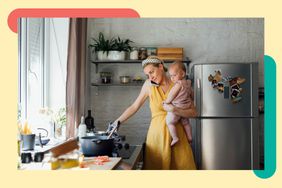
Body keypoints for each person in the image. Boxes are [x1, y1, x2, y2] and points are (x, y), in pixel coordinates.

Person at [109, 56, 197, 170]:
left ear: (160, 66)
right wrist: (117, 122)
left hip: (178, 138)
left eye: (152, 72)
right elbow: (134, 106)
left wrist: (175, 110)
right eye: (147, 75)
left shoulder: (179, 83)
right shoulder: (148, 85)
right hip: (157, 138)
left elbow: (194, 112)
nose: (151, 77)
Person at [163, 61, 193, 146]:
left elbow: (172, 95)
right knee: (186, 123)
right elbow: (192, 94)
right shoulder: (188, 83)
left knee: (170, 122)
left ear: (182, 74)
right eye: (171, 76)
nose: (172, 78)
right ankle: (190, 137)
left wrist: (166, 102)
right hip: (186, 107)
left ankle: (175, 137)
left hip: (177, 106)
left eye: (174, 75)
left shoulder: (178, 84)